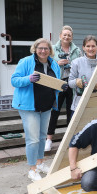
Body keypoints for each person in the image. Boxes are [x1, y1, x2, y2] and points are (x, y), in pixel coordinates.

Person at [11, 38, 68, 182]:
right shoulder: (26, 62)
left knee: (43, 137)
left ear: (50, 50)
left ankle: (40, 163)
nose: (43, 51)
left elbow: (55, 83)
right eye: (40, 48)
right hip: (29, 106)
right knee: (33, 139)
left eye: (46, 48)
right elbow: (14, 80)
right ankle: (32, 169)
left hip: (47, 106)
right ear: (35, 49)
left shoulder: (53, 64)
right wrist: (28, 79)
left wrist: (61, 87)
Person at [46, 26, 81, 151]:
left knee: (71, 112)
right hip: (57, 83)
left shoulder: (76, 50)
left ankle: (69, 139)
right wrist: (57, 63)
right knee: (55, 111)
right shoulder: (53, 49)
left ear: (72, 37)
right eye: (64, 34)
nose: (67, 37)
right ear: (60, 35)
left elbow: (80, 65)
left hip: (71, 84)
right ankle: (49, 140)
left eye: (69, 35)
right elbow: (47, 64)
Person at [68, 35, 97, 112]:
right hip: (79, 104)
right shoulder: (76, 62)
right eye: (88, 46)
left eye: (93, 46)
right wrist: (76, 81)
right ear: (83, 47)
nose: (90, 49)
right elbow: (70, 83)